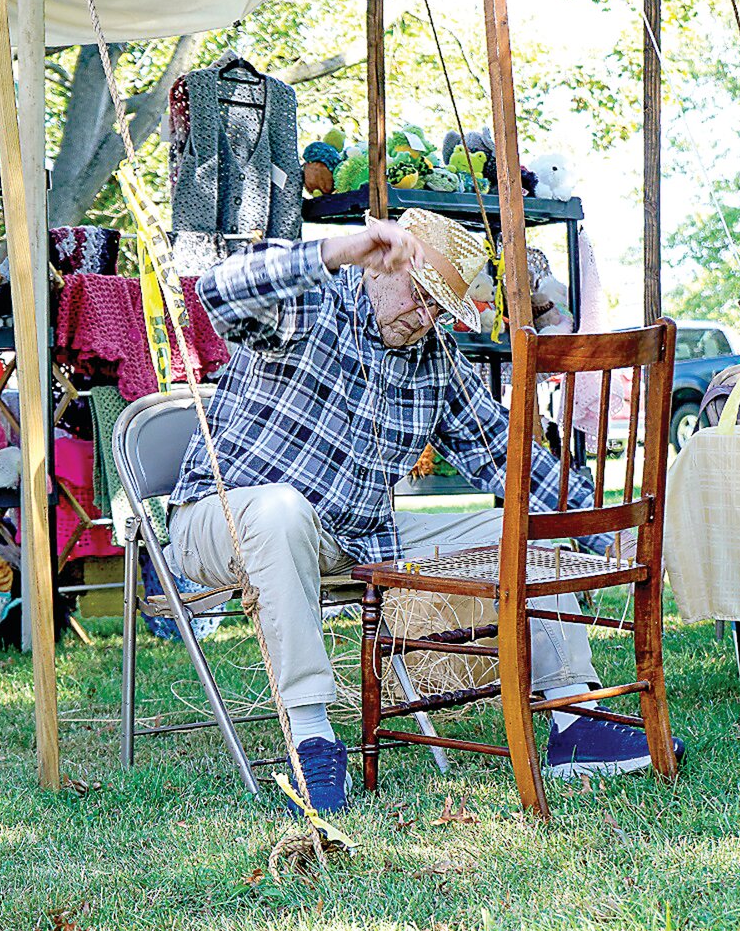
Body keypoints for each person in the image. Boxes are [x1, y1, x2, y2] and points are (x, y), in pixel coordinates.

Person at [169, 210, 684, 815]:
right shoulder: (312, 303)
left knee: (511, 524)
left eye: (441, 309)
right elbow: (216, 291)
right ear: (380, 268)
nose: (425, 317)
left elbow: (512, 462)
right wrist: (339, 249)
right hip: (224, 517)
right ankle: (310, 736)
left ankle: (573, 720)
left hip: (356, 536)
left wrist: (609, 532)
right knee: (282, 511)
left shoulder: (434, 356)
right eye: (421, 295)